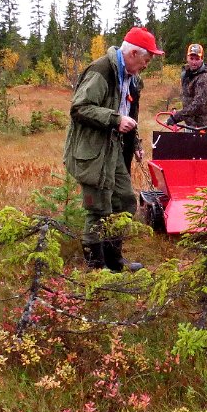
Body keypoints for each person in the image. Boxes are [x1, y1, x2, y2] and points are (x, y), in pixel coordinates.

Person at [63, 27, 164, 271]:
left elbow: (129, 114)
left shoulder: (132, 79)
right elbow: (79, 108)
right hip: (92, 151)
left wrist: (136, 143)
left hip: (115, 149)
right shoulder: (101, 71)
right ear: (132, 53)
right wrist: (114, 119)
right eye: (146, 59)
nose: (147, 65)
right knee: (98, 208)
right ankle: (97, 268)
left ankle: (115, 259)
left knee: (125, 200)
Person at [166, 43, 207, 129]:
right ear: (187, 58)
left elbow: (199, 105)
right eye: (191, 58)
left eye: (197, 59)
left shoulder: (205, 78)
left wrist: (177, 117)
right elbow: (187, 98)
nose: (194, 62)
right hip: (190, 125)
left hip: (201, 127)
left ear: (202, 59)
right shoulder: (187, 75)